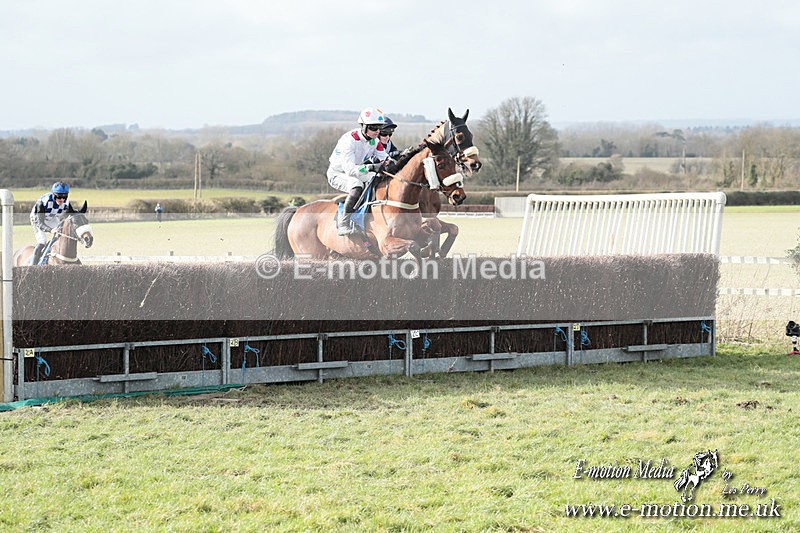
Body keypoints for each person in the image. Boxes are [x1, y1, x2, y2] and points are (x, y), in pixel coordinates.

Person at [327, 108, 389, 235]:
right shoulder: (349, 140)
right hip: (338, 173)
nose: (377, 132)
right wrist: (371, 167)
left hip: (357, 171)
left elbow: (386, 159)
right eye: (373, 128)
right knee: (357, 185)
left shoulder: (374, 141)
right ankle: (344, 223)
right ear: (364, 126)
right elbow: (349, 169)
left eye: (379, 128)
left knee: (378, 179)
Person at [29, 181, 72, 265]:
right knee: (42, 240)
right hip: (37, 219)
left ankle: (51, 253)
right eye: (59, 196)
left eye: (64, 196)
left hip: (51, 218)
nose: (62, 199)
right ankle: (32, 266)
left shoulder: (66, 203)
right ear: (53, 195)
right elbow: (39, 222)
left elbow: (67, 217)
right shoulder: (42, 202)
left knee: (61, 234)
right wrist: (51, 230)